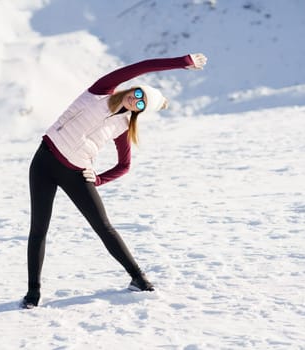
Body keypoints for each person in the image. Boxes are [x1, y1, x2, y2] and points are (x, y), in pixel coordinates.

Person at [22, 52, 208, 309]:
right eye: (139, 94)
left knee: (104, 227)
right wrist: (182, 62)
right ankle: (33, 292)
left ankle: (139, 278)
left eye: (142, 104)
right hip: (44, 162)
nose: (136, 100)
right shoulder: (101, 91)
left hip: (77, 173)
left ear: (141, 112)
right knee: (39, 229)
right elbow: (143, 64)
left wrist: (97, 179)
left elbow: (124, 166)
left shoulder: (123, 127)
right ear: (134, 89)